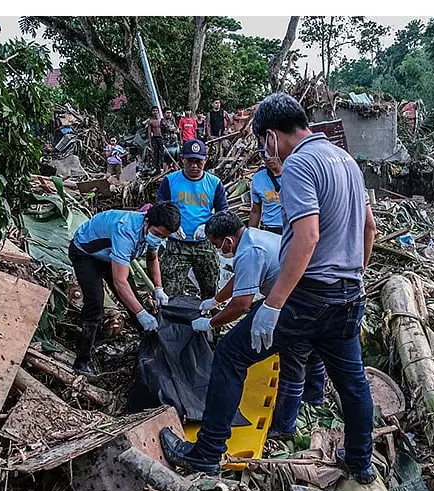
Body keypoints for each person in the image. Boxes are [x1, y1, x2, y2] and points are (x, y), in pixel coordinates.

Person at [159, 93, 379, 485]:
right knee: (352, 382)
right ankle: (360, 461)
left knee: (230, 354)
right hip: (349, 294)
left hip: (309, 294)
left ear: (273, 136)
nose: (265, 150)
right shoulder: (347, 162)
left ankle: (207, 453)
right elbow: (369, 228)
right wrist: (355, 275)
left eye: (263, 142)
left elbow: (306, 237)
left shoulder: (299, 164)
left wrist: (274, 303)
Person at [194, 211, 326, 438]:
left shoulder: (249, 251)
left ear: (228, 240)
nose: (219, 250)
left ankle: (284, 426)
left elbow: (241, 305)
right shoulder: (253, 236)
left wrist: (210, 323)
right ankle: (314, 398)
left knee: (291, 356)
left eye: (218, 245)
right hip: (312, 296)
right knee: (312, 348)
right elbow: (241, 279)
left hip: (294, 303)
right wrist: (216, 300)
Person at [68, 202, 182, 375]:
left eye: (163, 236)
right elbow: (120, 282)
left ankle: (150, 349)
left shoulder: (154, 233)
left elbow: (152, 259)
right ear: (146, 222)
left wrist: (159, 288)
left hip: (111, 255)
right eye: (157, 234)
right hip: (86, 253)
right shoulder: (126, 231)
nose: (158, 238)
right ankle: (82, 361)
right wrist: (141, 313)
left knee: (134, 302)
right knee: (95, 304)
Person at [156, 139, 228, 300]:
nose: (194, 166)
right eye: (190, 161)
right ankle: (172, 323)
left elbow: (223, 213)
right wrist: (172, 227)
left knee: (210, 291)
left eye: (198, 162)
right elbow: (160, 209)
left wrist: (208, 226)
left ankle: (208, 322)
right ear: (182, 159)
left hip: (204, 244)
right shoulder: (170, 181)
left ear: (205, 160)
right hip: (177, 244)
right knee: (171, 291)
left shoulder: (214, 183)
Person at [249, 154, 284, 234]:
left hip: (291, 228)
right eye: (263, 155)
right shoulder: (258, 178)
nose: (267, 158)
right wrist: (251, 235)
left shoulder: (294, 172)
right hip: (269, 230)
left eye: (270, 154)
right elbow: (255, 211)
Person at [147, 107, 164, 173]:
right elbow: (149, 132)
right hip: (154, 138)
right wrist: (150, 142)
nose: (155, 112)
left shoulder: (161, 120)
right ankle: (157, 168)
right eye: (153, 111)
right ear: (152, 112)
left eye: (156, 111)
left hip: (161, 138)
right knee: (156, 153)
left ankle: (162, 166)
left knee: (162, 153)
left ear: (158, 112)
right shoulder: (150, 121)